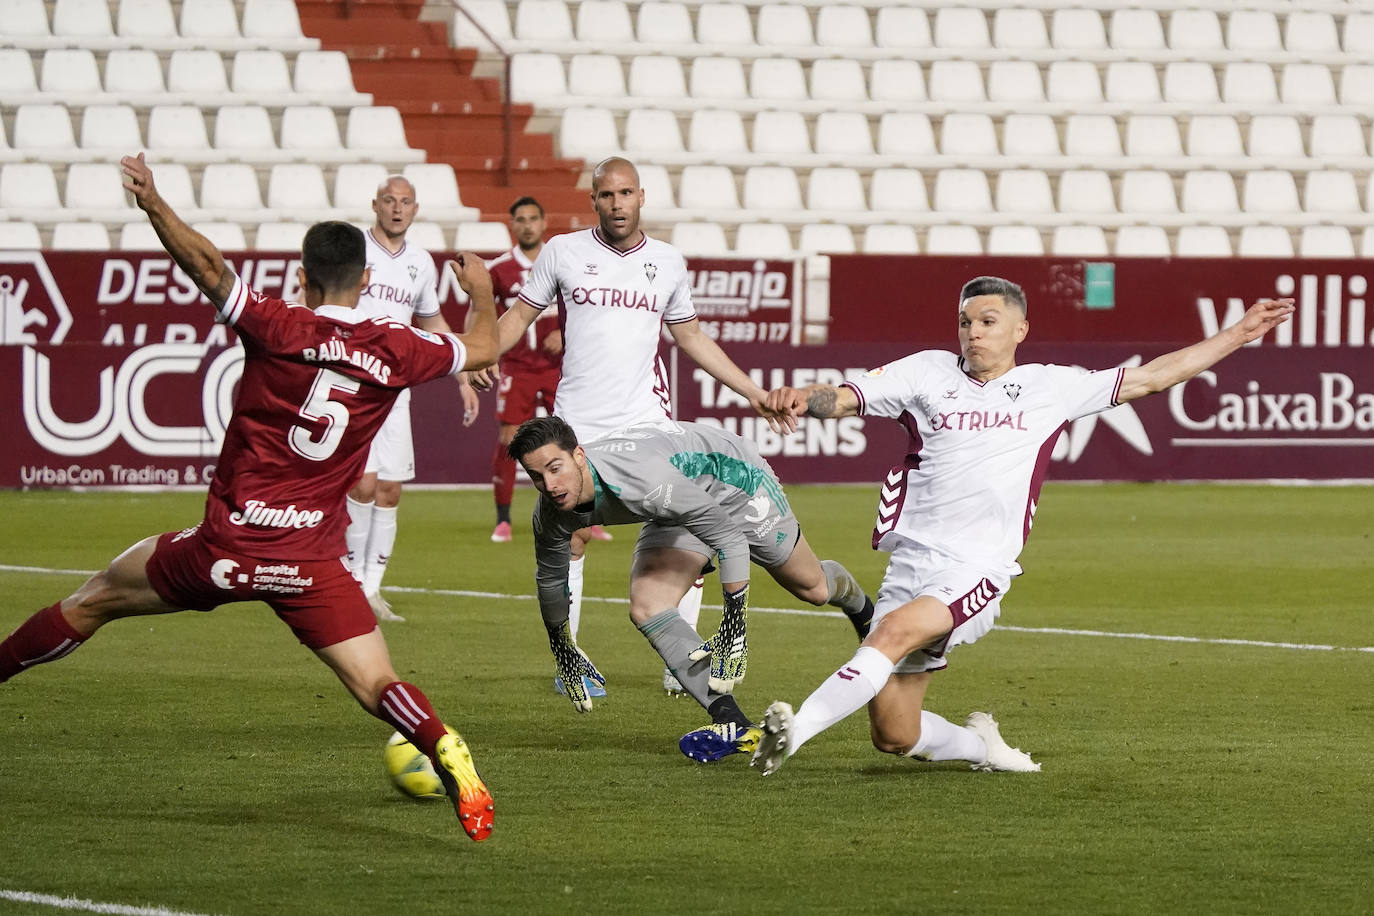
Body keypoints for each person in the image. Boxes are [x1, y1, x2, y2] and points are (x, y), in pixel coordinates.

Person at [0, 153, 502, 841]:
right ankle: (441, 741)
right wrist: (479, 292)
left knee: (91, 602)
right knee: (375, 683)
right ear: (366, 280)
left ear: (302, 277)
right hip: (312, 565)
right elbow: (482, 347)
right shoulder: (399, 348)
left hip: (225, 550)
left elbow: (207, 266)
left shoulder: (276, 325)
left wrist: (154, 204)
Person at [749, 276, 1295, 777]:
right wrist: (804, 399)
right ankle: (983, 748)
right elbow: (843, 398)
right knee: (894, 734)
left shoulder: (1050, 387)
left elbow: (1152, 378)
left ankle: (795, 733)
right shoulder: (926, 372)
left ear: (1020, 329)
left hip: (978, 567)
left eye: (987, 321)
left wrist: (1238, 334)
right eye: (966, 321)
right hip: (911, 564)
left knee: (890, 635)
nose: (972, 333)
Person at [471, 156, 794, 698]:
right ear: (593, 201)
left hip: (646, 420)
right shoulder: (562, 252)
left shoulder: (667, 262)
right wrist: (476, 352)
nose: (616, 204)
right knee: (569, 537)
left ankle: (682, 658)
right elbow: (519, 318)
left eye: (625, 194)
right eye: (605, 195)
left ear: (641, 197)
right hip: (578, 423)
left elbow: (691, 337)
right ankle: (570, 662)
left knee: (680, 531)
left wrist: (755, 393)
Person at [509, 415, 874, 763]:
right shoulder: (551, 514)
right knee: (648, 604)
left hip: (734, 479)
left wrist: (733, 625)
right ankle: (733, 723)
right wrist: (563, 648)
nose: (550, 486)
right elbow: (551, 581)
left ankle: (864, 610)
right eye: (536, 476)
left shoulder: (642, 480)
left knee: (812, 587)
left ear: (578, 455)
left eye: (555, 468)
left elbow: (730, 539)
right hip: (680, 501)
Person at [344, 175, 481, 623]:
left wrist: (462, 372)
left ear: (415, 209)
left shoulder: (420, 262)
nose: (397, 209)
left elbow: (432, 319)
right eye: (389, 201)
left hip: (396, 392)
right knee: (361, 485)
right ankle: (347, 584)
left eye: (405, 202)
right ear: (375, 205)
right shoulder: (353, 250)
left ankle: (370, 591)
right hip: (355, 386)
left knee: (389, 489)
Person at [484, 195, 611, 546]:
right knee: (510, 440)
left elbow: (589, 309)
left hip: (560, 367)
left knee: (576, 439)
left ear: (543, 223)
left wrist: (563, 330)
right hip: (519, 367)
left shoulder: (566, 263)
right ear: (513, 225)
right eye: (520, 219)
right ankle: (504, 520)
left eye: (532, 219)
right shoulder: (499, 269)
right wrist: (485, 351)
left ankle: (590, 513)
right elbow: (482, 314)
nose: (527, 225)